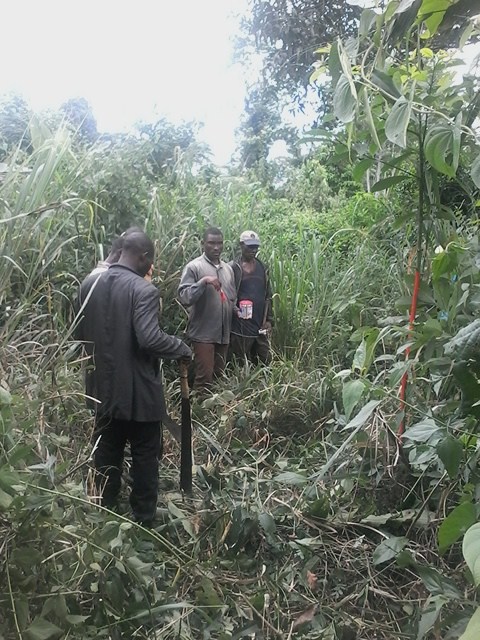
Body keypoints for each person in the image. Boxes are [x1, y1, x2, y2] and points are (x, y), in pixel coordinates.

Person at [75, 231, 191, 526]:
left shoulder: (89, 283)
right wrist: (180, 348)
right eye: (149, 260)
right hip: (139, 396)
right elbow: (150, 340)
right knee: (144, 457)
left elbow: (78, 335)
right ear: (143, 257)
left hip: (102, 391)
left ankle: (104, 513)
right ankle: (143, 521)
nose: (150, 267)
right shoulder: (143, 290)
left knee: (107, 452)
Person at [178, 227, 236, 390]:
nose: (216, 247)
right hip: (204, 334)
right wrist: (203, 281)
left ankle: (216, 413)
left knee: (219, 378)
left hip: (223, 334)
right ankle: (199, 414)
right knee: (204, 380)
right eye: (211, 243)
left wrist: (237, 310)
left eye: (219, 243)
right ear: (203, 244)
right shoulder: (194, 267)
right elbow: (184, 297)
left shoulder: (228, 269)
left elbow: (231, 297)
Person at [229, 230, 273, 365]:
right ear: (241, 245)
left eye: (256, 247)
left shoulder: (262, 267)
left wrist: (269, 320)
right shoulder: (233, 268)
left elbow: (268, 296)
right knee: (239, 363)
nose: (253, 250)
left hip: (260, 324)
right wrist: (234, 311)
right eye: (250, 246)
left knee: (265, 361)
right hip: (240, 325)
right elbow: (227, 296)